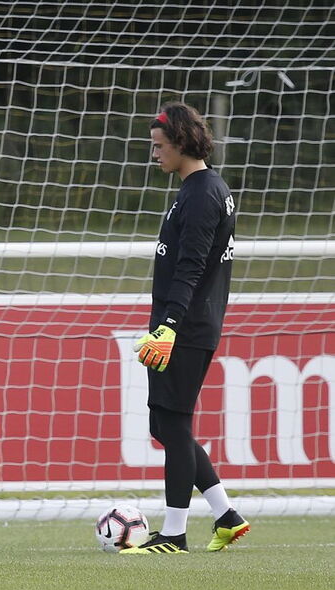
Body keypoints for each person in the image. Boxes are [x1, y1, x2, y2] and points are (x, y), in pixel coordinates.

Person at [121, 102, 250, 554]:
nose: (154, 154)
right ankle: (226, 515)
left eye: (159, 147)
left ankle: (175, 533)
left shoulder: (200, 193)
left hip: (185, 326)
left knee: (172, 424)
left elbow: (191, 267)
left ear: (181, 143)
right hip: (184, 324)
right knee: (166, 422)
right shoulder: (200, 189)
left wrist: (170, 326)